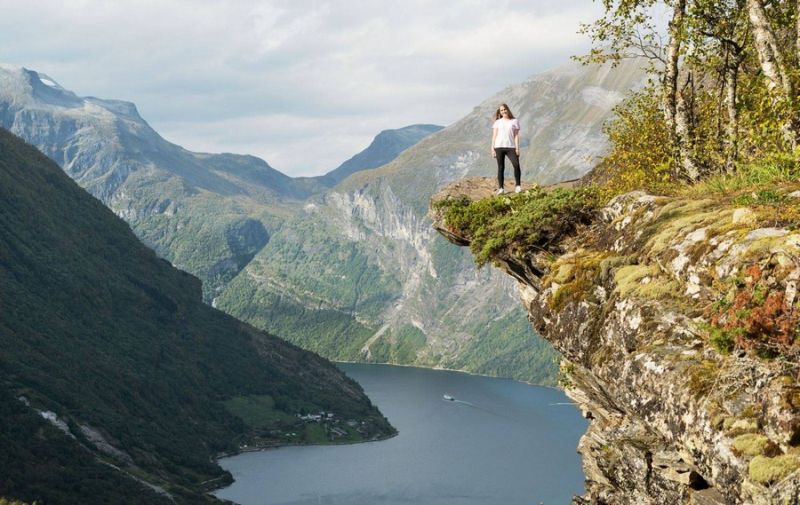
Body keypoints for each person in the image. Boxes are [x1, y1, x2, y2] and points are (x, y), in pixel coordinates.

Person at [491, 103, 522, 194]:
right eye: (501, 110)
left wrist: (517, 148)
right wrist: (492, 149)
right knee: (501, 168)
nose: (503, 111)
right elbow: (494, 136)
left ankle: (518, 186)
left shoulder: (514, 121)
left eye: (504, 109)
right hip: (498, 147)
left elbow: (516, 136)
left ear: (508, 109)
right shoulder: (497, 122)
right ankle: (501, 189)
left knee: (516, 165)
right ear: (499, 112)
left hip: (511, 147)